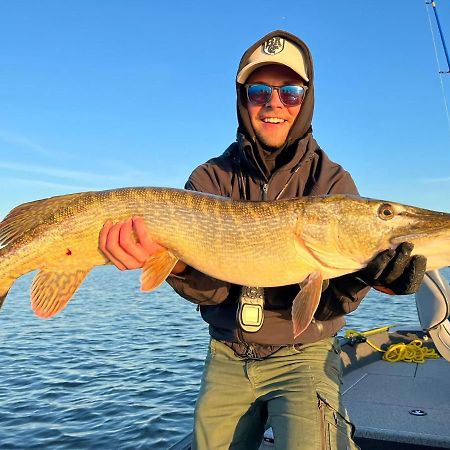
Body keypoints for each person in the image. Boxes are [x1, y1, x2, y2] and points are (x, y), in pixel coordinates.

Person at [99, 30, 427, 450]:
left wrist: (375, 277)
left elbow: (333, 300)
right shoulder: (208, 180)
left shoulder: (332, 183)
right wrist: (173, 263)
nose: (274, 104)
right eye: (259, 91)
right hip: (227, 354)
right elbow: (214, 290)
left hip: (305, 355)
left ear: (305, 100)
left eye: (290, 92)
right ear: (243, 99)